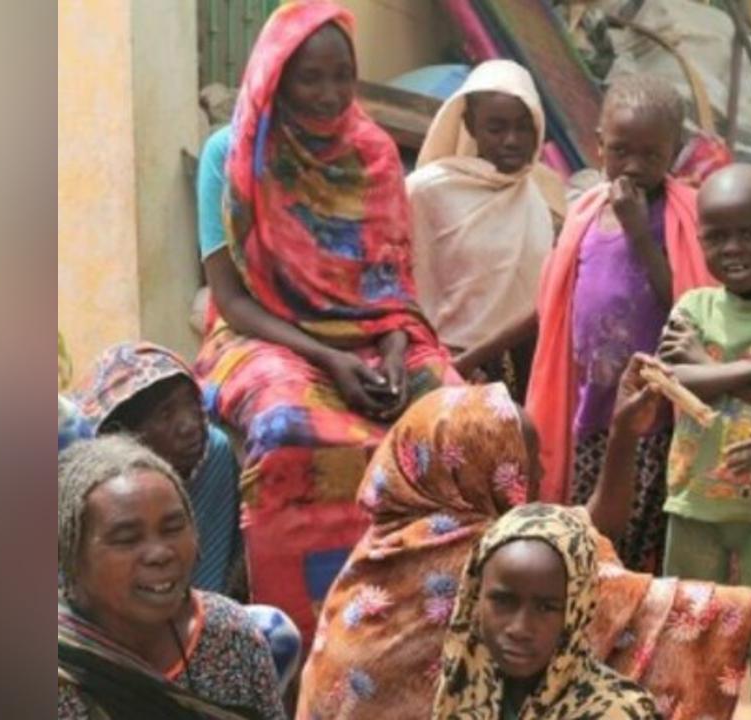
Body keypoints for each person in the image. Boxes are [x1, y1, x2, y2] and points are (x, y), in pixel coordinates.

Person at [297, 357, 751, 720]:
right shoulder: (471, 554)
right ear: (477, 467)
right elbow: (650, 601)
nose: (541, 472)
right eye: (523, 464)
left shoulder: (397, 537)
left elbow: (577, 534)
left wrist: (623, 434)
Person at [193, 0, 458, 645]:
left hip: (376, 334)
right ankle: (304, 637)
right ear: (275, 77)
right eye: (311, 78)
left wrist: (393, 355)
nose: (329, 93)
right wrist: (331, 360)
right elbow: (230, 298)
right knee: (290, 428)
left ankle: (443, 622)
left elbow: (390, 287)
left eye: (342, 76)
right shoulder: (230, 157)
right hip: (263, 334)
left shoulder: (373, 155)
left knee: (460, 419)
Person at [518, 74, 717, 573]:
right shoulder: (584, 212)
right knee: (586, 523)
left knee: (636, 530)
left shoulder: (684, 217)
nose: (634, 165)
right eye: (622, 150)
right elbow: (556, 304)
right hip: (589, 404)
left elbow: (690, 307)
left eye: (651, 155)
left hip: (652, 413)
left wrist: (638, 232)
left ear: (673, 154)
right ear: (599, 145)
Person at [70, 342, 301, 691]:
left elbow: (201, 590)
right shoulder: (81, 492)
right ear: (121, 433)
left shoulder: (213, 457)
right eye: (166, 415)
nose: (190, 425)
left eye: (193, 406)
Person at [657, 163, 751, 718]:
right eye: (717, 235)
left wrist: (711, 367)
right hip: (696, 500)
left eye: (750, 232)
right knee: (690, 627)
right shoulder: (694, 307)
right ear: (698, 235)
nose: (733, 247)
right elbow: (673, 379)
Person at [57, 435, 284, 719]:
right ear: (72, 556)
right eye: (127, 539)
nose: (160, 553)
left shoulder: (230, 634)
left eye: (173, 528)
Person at [405, 59, 565, 401]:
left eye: (524, 127)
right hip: (443, 364)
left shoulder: (541, 196)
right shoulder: (426, 192)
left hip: (520, 371)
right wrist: (444, 364)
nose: (512, 140)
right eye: (497, 128)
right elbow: (408, 287)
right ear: (470, 125)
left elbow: (539, 307)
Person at [431, 504, 660, 720]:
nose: (520, 629)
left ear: (577, 611)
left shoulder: (619, 712)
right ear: (475, 597)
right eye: (503, 601)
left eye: (546, 607)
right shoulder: (465, 685)